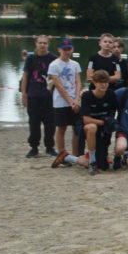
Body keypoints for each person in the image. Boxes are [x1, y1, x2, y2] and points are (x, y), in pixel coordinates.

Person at [49, 38, 84, 168]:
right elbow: (59, 86)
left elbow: (78, 82)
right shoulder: (54, 65)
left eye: (69, 49)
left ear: (72, 49)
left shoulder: (75, 64)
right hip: (61, 101)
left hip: (74, 99)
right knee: (61, 128)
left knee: (76, 128)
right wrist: (70, 102)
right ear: (59, 50)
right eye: (64, 49)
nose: (67, 52)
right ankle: (62, 154)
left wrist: (76, 99)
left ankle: (74, 156)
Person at [78, 70, 119, 175]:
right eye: (101, 82)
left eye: (106, 82)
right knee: (92, 127)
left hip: (103, 129)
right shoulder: (87, 95)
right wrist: (103, 122)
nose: (104, 85)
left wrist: (110, 122)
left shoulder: (110, 94)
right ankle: (92, 161)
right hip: (87, 129)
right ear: (94, 83)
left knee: (103, 166)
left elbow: (112, 113)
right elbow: (86, 119)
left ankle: (68, 157)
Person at [21, 34, 55, 157]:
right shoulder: (31, 58)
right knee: (34, 122)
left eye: (44, 43)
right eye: (40, 43)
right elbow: (25, 77)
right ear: (36, 44)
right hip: (33, 95)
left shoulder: (53, 58)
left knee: (50, 123)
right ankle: (34, 147)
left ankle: (50, 147)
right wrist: (24, 94)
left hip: (48, 96)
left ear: (48, 44)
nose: (42, 45)